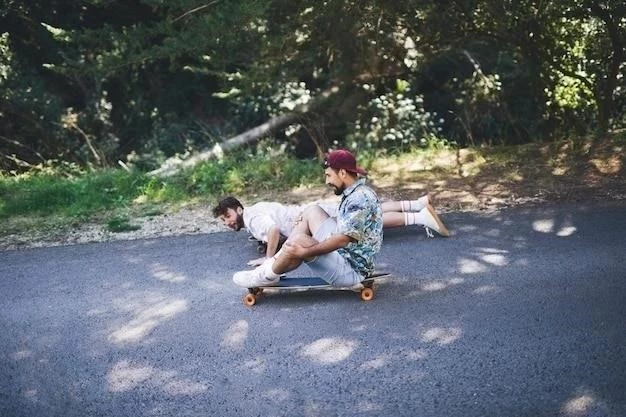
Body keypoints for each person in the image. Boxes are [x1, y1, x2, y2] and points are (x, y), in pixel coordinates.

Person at [230, 149, 384, 288]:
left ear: (342, 173)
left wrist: (305, 252)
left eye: (329, 175)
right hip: (346, 253)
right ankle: (274, 265)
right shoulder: (357, 192)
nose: (327, 181)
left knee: (300, 241)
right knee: (311, 211)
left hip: (352, 269)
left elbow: (342, 240)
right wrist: (303, 219)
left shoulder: (359, 199)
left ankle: (265, 276)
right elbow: (345, 227)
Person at [213, 190, 449, 265]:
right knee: (369, 211)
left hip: (315, 218)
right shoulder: (256, 209)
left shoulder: (252, 220)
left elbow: (274, 230)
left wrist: (269, 258)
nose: (228, 222)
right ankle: (418, 204)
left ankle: (420, 216)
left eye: (228, 216)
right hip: (313, 213)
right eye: (223, 221)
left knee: (366, 221)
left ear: (238, 209)